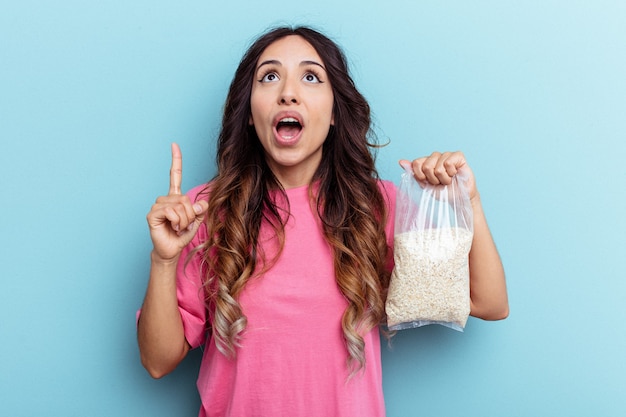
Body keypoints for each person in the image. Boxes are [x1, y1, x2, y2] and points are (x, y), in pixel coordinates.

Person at [137, 26, 508, 417]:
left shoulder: (375, 207)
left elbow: (490, 303)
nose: (288, 92)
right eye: (270, 77)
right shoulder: (202, 211)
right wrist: (163, 260)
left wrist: (469, 202)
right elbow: (157, 361)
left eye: (311, 77)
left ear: (334, 114)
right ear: (248, 113)